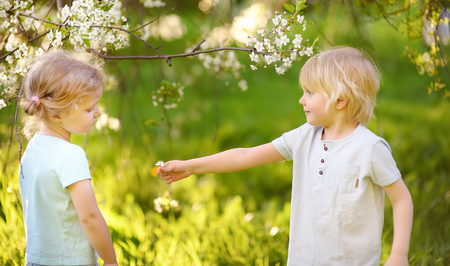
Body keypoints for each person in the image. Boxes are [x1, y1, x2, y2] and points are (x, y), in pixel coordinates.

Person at [158, 46, 413, 265]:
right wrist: (191, 166)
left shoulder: (369, 148)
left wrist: (399, 253)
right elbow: (246, 155)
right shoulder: (305, 136)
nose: (301, 100)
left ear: (340, 100)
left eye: (310, 93)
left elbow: (401, 199)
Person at [19, 50, 118, 266]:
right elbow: (89, 216)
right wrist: (110, 261)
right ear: (57, 115)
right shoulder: (70, 154)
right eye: (89, 108)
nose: (98, 112)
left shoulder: (33, 149)